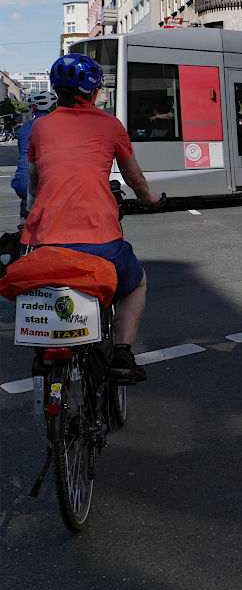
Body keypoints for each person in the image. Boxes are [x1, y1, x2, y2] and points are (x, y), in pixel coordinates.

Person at [21, 53, 162, 384]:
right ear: (95, 92)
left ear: (57, 92)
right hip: (99, 238)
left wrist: (31, 212)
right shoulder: (109, 124)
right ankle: (123, 354)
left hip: (45, 242)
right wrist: (149, 199)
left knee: (45, 288)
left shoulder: (40, 126)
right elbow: (134, 178)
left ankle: (45, 351)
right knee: (135, 283)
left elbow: (33, 179)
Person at [11, 90, 57, 222]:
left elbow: (23, 154)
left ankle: (24, 230)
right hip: (50, 188)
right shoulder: (59, 126)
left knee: (26, 219)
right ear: (53, 107)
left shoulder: (25, 129)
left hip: (24, 186)